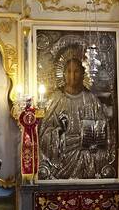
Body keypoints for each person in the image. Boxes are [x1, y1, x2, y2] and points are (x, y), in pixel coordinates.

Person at [39, 50, 114, 179]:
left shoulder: (91, 100)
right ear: (63, 74)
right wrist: (59, 134)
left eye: (76, 71)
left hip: (87, 154)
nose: (72, 76)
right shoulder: (56, 99)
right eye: (68, 71)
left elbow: (102, 133)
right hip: (63, 152)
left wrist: (87, 139)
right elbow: (44, 134)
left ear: (83, 74)